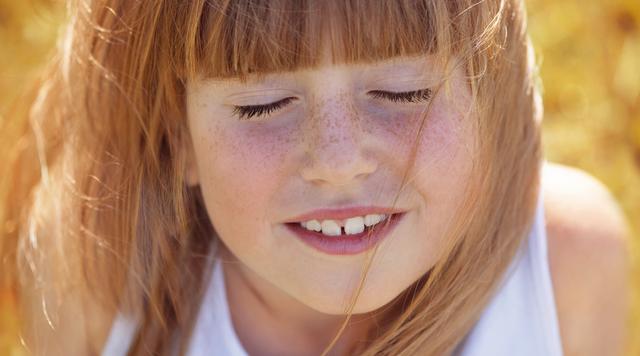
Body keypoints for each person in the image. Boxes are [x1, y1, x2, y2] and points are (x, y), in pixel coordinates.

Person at [0, 0, 630, 355]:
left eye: (402, 91)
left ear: (490, 106)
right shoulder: (97, 274)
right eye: (261, 106)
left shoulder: (565, 264)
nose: (337, 160)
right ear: (177, 138)